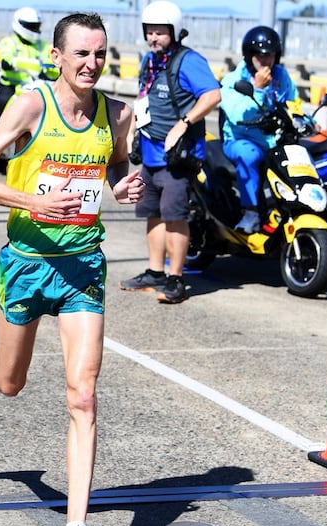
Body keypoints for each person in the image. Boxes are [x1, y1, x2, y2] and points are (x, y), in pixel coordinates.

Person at [0, 12, 144, 526]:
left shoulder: (117, 113)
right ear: (57, 56)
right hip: (28, 264)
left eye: (100, 54)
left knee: (83, 396)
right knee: (10, 384)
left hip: (82, 266)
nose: (92, 64)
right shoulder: (32, 105)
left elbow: (117, 167)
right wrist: (32, 202)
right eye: (81, 53)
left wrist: (122, 184)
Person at [119, 0, 219, 304]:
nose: (153, 38)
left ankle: (176, 279)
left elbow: (213, 94)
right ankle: (155, 272)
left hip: (178, 156)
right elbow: (143, 99)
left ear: (174, 32)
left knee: (175, 216)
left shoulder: (188, 61)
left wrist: (183, 123)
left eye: (159, 32)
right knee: (153, 214)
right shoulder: (149, 62)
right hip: (149, 152)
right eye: (149, 32)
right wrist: (132, 131)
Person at [220, 25, 300, 234]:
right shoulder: (233, 80)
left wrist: (306, 119)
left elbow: (294, 103)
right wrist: (259, 88)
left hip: (276, 139)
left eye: (270, 55)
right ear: (249, 55)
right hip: (241, 139)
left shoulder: (282, 77)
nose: (266, 61)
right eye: (260, 55)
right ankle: (250, 212)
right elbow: (237, 115)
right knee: (250, 155)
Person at [0, 7, 58, 135]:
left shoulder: (41, 44)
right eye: (31, 26)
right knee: (3, 104)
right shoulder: (10, 42)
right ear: (20, 24)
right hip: (11, 84)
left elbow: (48, 61)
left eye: (36, 26)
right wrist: (11, 62)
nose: (34, 30)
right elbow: (6, 58)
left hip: (34, 84)